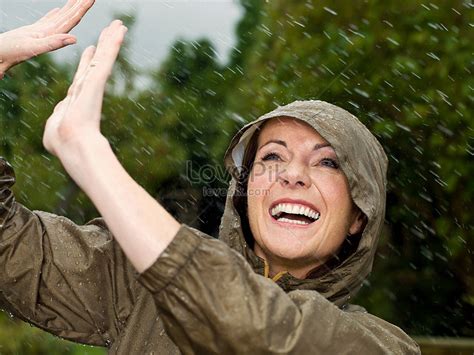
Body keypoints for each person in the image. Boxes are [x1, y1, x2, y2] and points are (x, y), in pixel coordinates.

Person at [0, 2, 421, 354]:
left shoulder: (379, 345)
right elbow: (9, 249)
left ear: (358, 215)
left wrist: (91, 157)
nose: (293, 174)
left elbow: (253, 332)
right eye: (273, 156)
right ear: (245, 192)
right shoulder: (134, 281)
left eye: (328, 162)